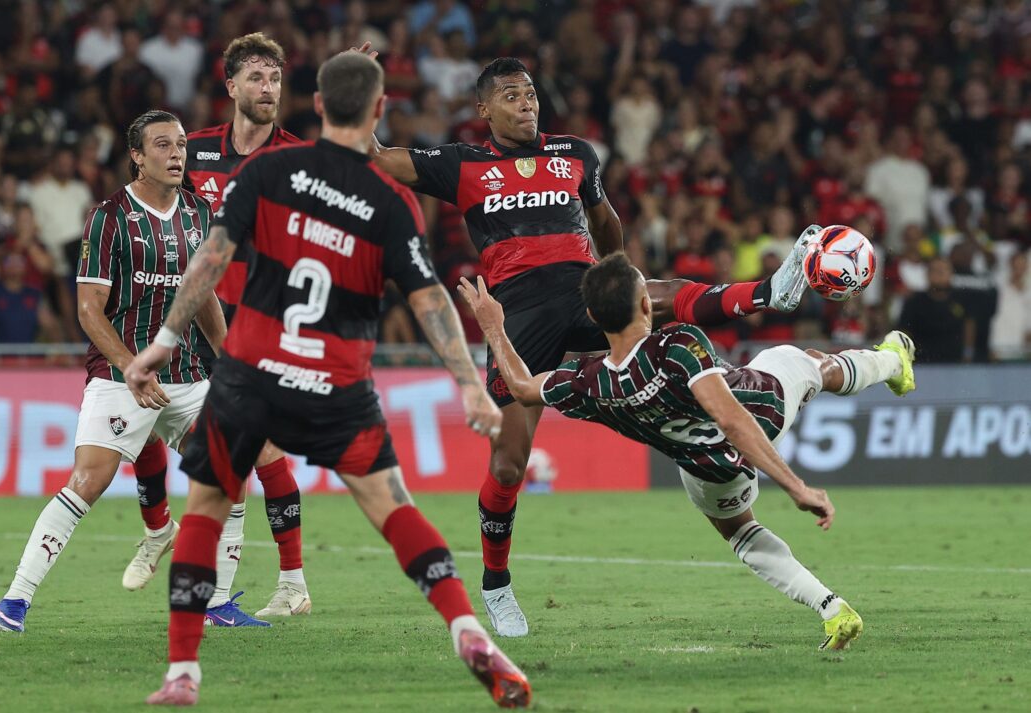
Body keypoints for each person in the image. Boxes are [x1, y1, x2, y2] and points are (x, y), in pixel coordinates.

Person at [364, 45, 821, 636]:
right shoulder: (461, 163)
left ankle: (768, 292)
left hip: (583, 290)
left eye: (530, 93)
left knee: (659, 292)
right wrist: (365, 91)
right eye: (510, 96)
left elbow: (605, 221)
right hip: (521, 314)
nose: (525, 104)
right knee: (508, 465)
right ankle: (496, 584)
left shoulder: (574, 154)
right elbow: (376, 157)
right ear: (484, 109)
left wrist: (615, 273)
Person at [127, 52, 530, 708]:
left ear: (316, 105)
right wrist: (467, 382)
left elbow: (210, 259)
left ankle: (182, 672)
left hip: (251, 372)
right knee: (395, 509)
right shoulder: (392, 200)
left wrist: (164, 341)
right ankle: (466, 628)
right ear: (379, 110)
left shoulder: (266, 171)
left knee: (204, 510)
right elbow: (430, 298)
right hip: (337, 382)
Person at [458, 252, 919, 650]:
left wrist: (494, 327)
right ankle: (891, 361)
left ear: (593, 319)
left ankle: (831, 608)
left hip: (709, 471)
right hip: (762, 412)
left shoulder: (587, 381)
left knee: (740, 532)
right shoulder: (676, 345)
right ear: (646, 304)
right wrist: (796, 487)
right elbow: (732, 418)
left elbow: (521, 386)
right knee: (814, 365)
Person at [0, 110, 224, 633]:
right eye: (162, 145)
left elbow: (203, 295)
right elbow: (88, 308)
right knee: (88, 481)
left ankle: (217, 602)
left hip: (187, 372)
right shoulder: (109, 217)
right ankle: (15, 600)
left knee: (228, 465)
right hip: (121, 374)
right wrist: (129, 366)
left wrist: (229, 358)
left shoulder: (199, 212)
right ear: (137, 156)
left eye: (181, 144)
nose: (176, 153)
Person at [122, 32, 308, 625]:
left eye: (275, 78)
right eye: (256, 77)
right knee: (137, 419)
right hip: (190, 316)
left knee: (260, 448)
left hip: (256, 323)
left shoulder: (298, 157)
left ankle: (290, 581)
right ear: (231, 86)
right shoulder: (193, 150)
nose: (268, 88)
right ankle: (160, 529)